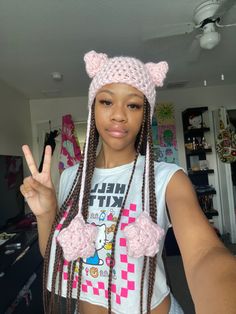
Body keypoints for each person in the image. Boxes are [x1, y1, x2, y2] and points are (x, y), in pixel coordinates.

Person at [20, 50, 236, 314]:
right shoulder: (70, 178)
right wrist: (44, 215)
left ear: (145, 114)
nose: (119, 115)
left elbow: (204, 253)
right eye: (107, 102)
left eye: (133, 105)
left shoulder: (168, 178)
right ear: (93, 107)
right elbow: (55, 256)